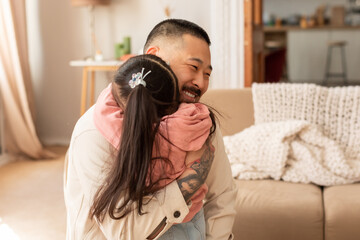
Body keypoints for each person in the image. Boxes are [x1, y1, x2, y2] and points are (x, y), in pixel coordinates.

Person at [64, 19, 236, 240]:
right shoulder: (94, 132)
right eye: (194, 67)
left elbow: (222, 195)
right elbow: (123, 232)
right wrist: (190, 178)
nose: (201, 83)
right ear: (156, 55)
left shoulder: (197, 122)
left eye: (207, 74)